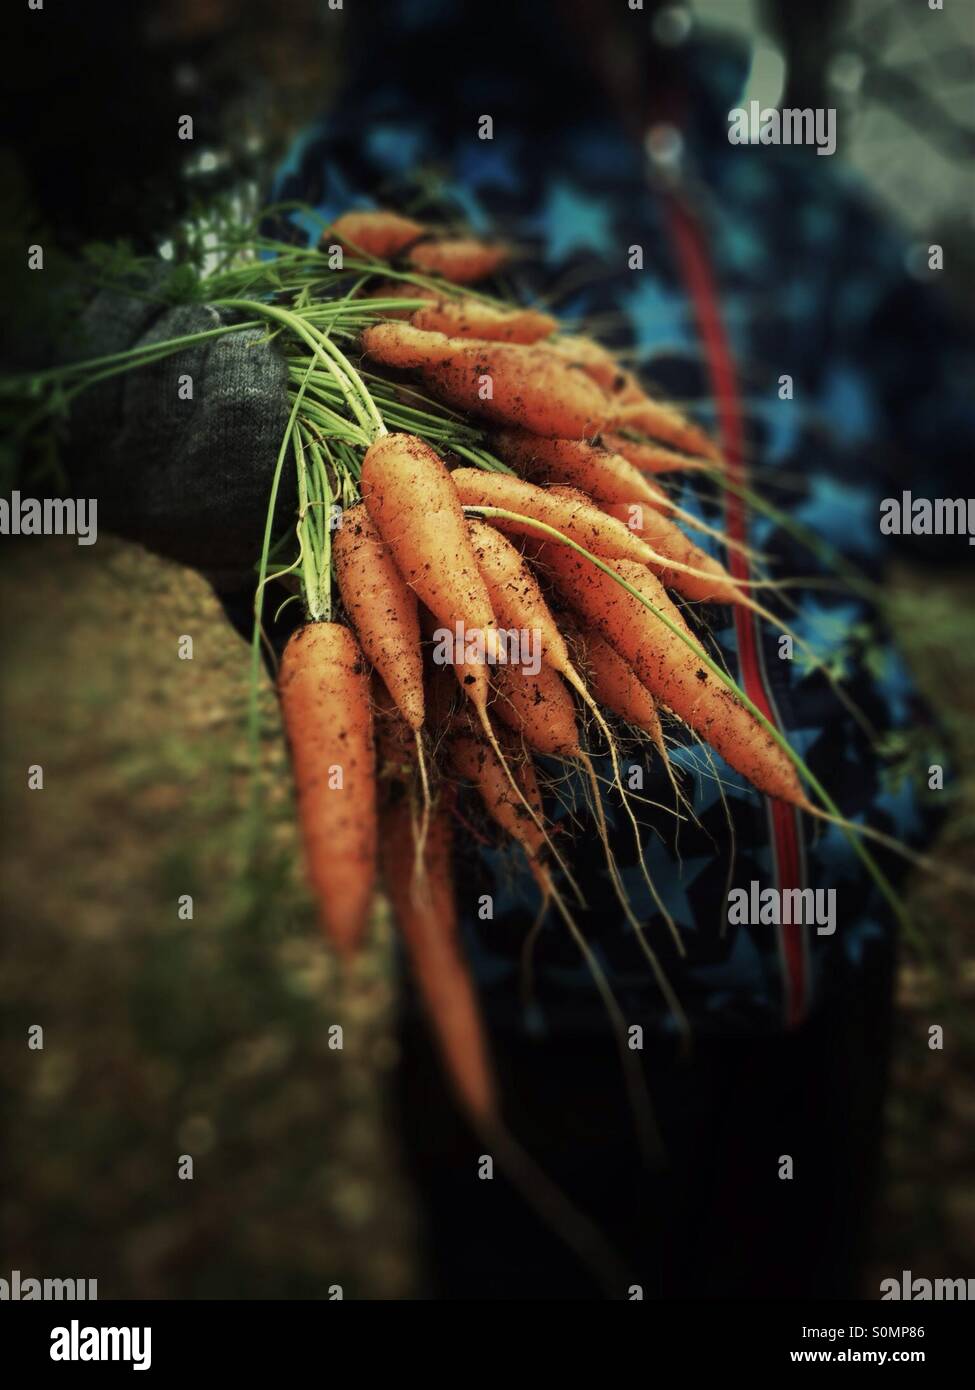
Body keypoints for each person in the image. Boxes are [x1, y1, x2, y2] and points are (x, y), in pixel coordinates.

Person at [36, 0, 974, 1298]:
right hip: (551, 978)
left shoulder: (774, 172)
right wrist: (258, 495)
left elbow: (945, 435)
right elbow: (304, 575)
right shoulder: (381, 165)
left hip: (836, 950)